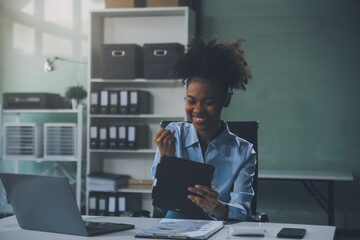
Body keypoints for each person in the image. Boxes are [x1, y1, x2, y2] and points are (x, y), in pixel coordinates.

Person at [151, 37, 256, 221]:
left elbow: (243, 212)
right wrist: (167, 160)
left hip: (219, 232)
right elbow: (160, 205)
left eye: (209, 102)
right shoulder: (174, 135)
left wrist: (217, 207)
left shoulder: (244, 152)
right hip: (175, 229)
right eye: (191, 101)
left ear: (226, 100)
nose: (198, 110)